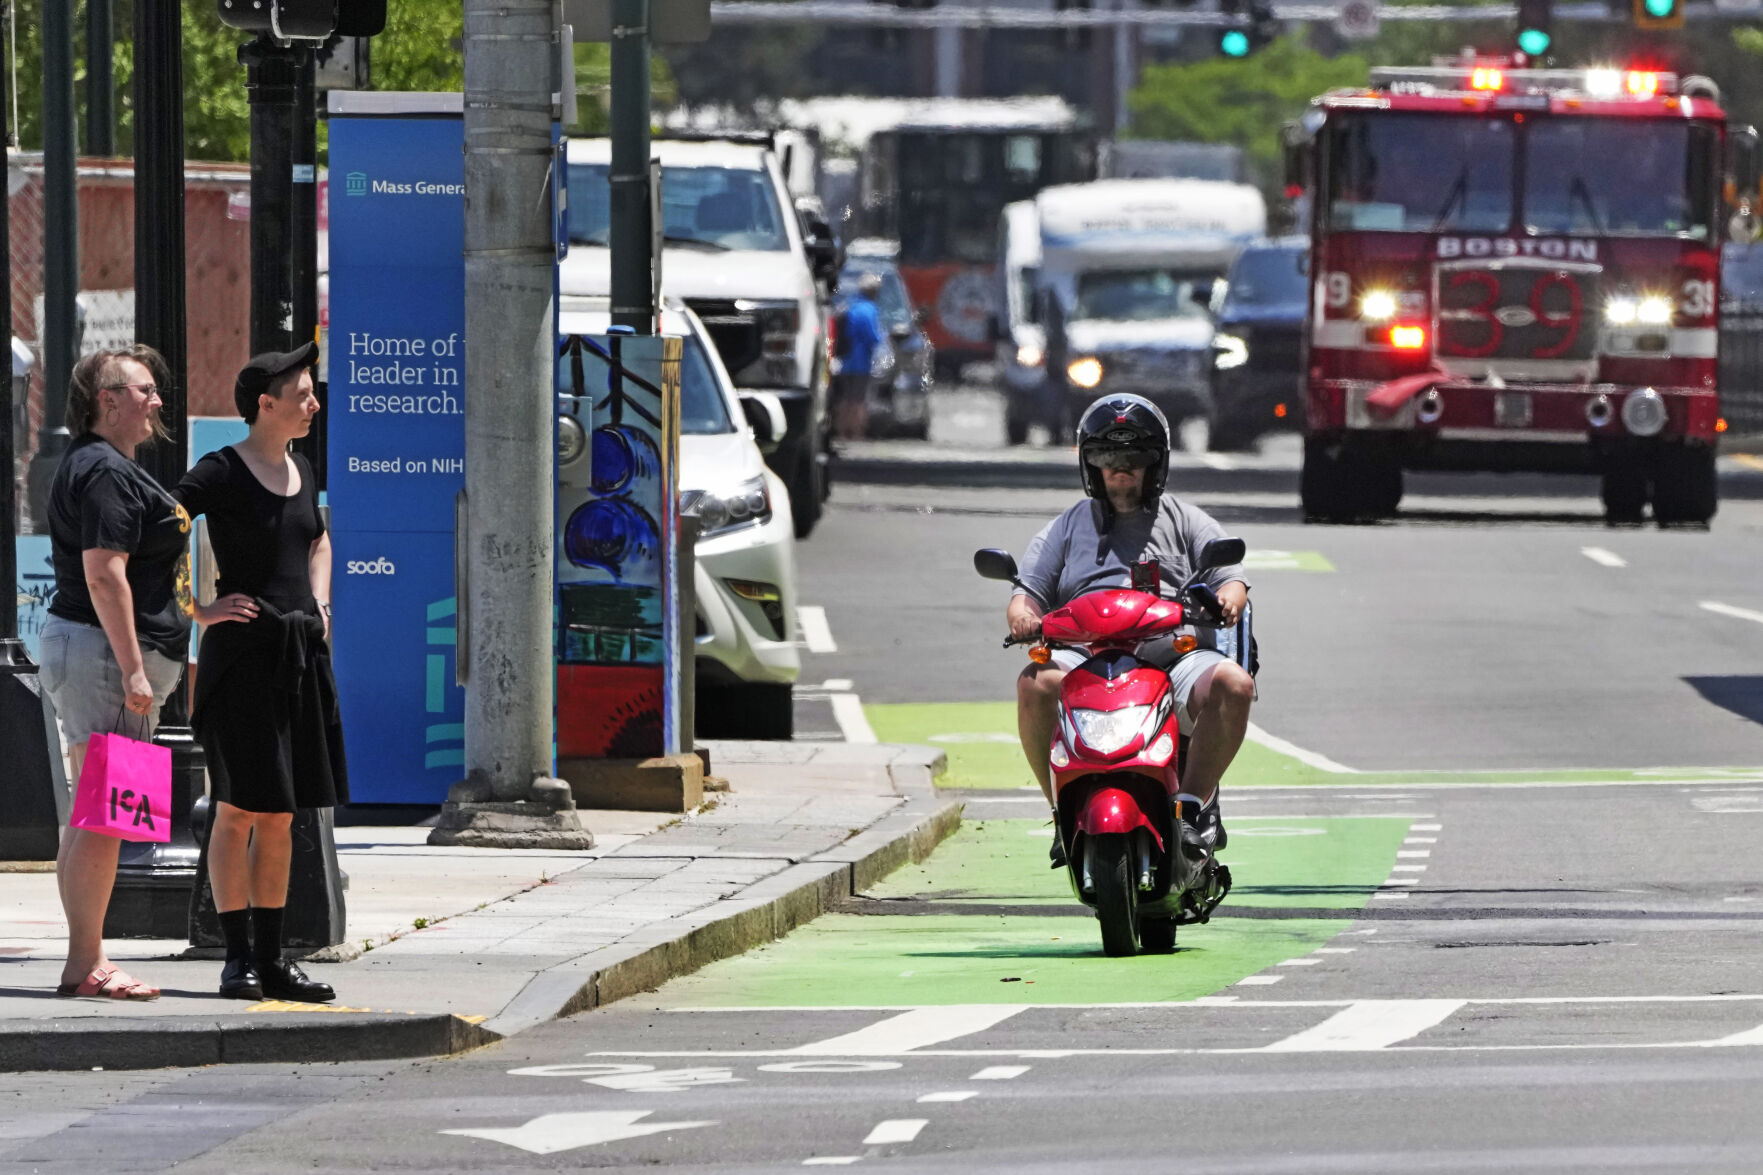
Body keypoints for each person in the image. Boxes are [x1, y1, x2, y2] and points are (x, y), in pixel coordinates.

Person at [1007, 393, 1254, 857]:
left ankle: (1193, 804)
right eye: (1107, 456)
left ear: (1156, 463)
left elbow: (1232, 578)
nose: (1121, 467)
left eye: (1134, 457)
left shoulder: (1186, 519)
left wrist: (1227, 599)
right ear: (1089, 464)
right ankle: (1061, 812)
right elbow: (1027, 592)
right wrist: (1024, 617)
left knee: (1235, 685)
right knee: (1034, 684)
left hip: (1171, 653)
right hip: (1084, 652)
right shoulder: (1066, 526)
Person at [175, 341, 347, 1003]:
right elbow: (164, 526)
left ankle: (274, 960)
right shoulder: (220, 470)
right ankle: (236, 958)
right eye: (302, 392)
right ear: (263, 403)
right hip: (241, 662)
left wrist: (320, 599)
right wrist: (199, 605)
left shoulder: (301, 466)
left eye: (312, 390)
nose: (313, 402)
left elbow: (318, 537)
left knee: (281, 815)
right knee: (239, 808)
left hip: (300, 659)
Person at [39, 345, 189, 1001]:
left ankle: (85, 960)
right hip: (104, 654)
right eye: (144, 390)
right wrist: (135, 669)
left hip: (85, 647)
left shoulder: (97, 465)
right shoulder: (104, 470)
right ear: (109, 399)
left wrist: (195, 610)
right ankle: (86, 963)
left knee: (88, 815)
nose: (157, 401)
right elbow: (105, 573)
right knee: (102, 816)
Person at [832, 272, 887, 441]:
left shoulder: (851, 306)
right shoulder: (869, 310)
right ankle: (856, 432)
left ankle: (841, 431)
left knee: (845, 399)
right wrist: (883, 339)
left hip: (845, 360)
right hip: (861, 363)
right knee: (858, 399)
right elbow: (872, 337)